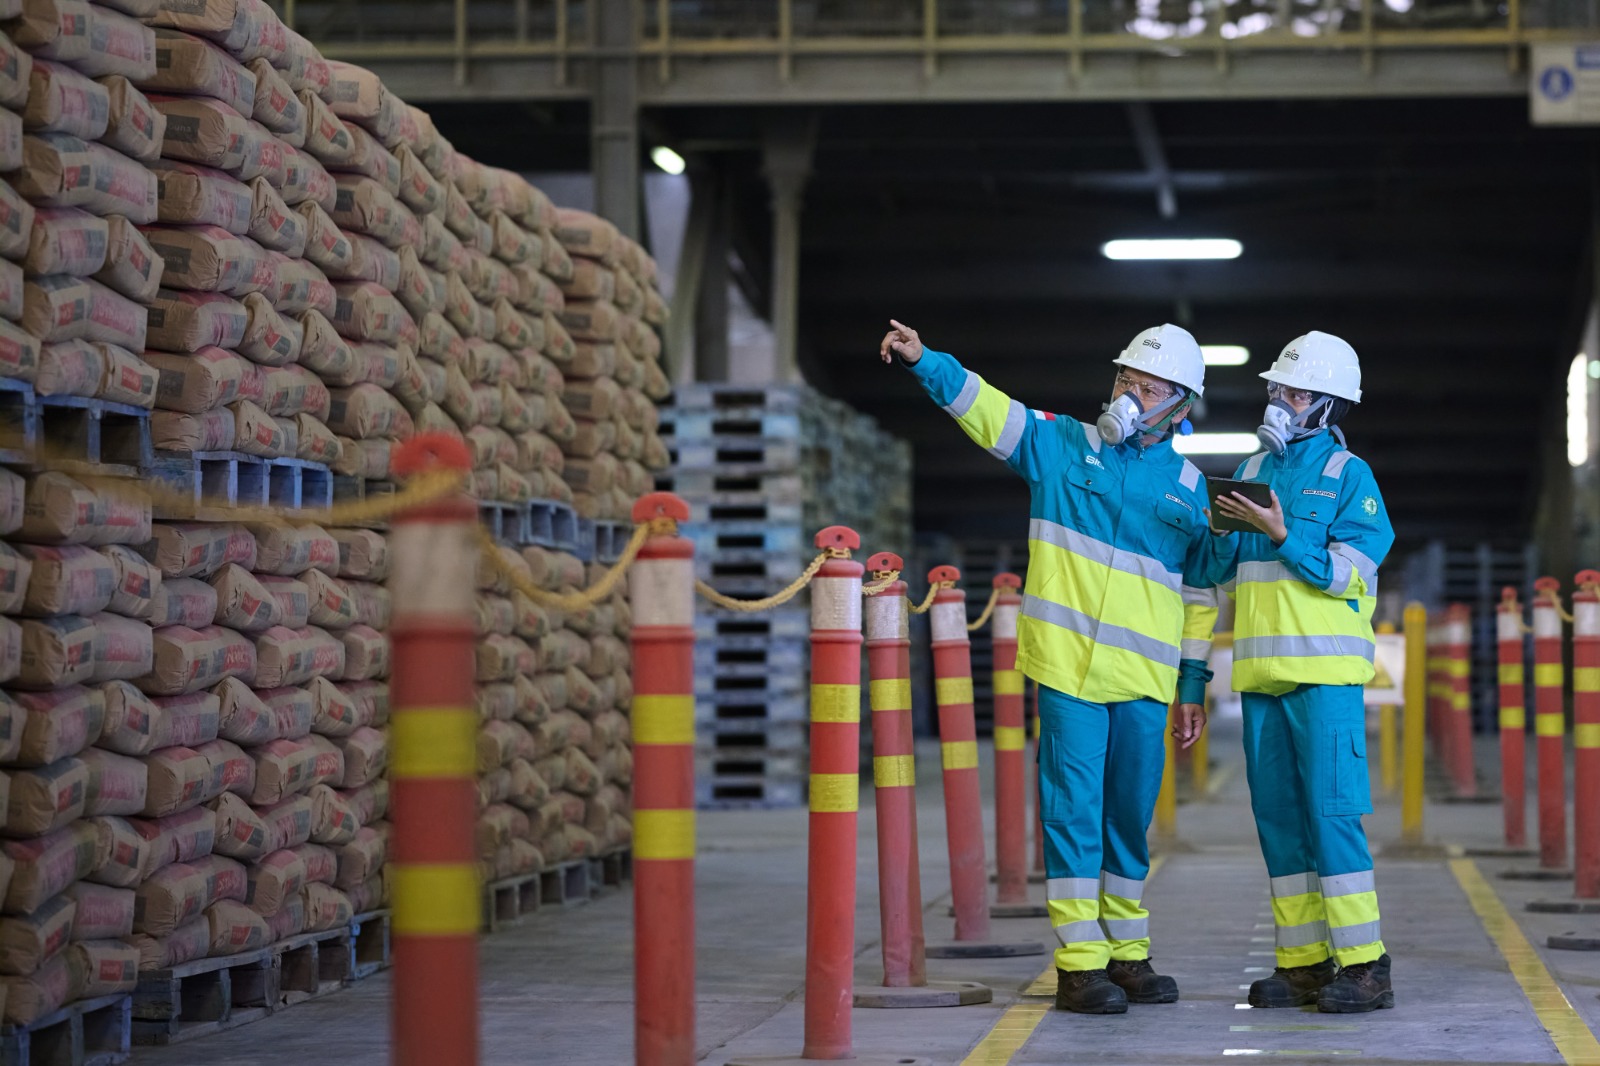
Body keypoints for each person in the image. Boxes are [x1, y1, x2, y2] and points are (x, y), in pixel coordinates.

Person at [879, 319, 1218, 1015]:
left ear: (1178, 407)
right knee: (1071, 814)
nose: (1130, 393)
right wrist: (925, 361)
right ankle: (1080, 962)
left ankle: (1128, 952)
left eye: (1148, 387)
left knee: (1128, 817)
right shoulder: (1061, 443)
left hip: (1146, 682)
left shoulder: (1191, 490)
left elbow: (1200, 596)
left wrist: (1192, 683)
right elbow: (986, 407)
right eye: (1126, 378)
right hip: (1066, 670)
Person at [1206, 330, 1395, 1014]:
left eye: (1294, 391)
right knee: (1280, 824)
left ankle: (1366, 966)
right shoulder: (1256, 464)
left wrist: (1287, 536)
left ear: (1329, 405)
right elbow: (1221, 570)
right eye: (1276, 389)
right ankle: (1305, 964)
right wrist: (1209, 530)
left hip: (1325, 683)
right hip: (1261, 680)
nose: (1280, 400)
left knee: (1332, 818)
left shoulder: (1352, 478)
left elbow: (1347, 570)